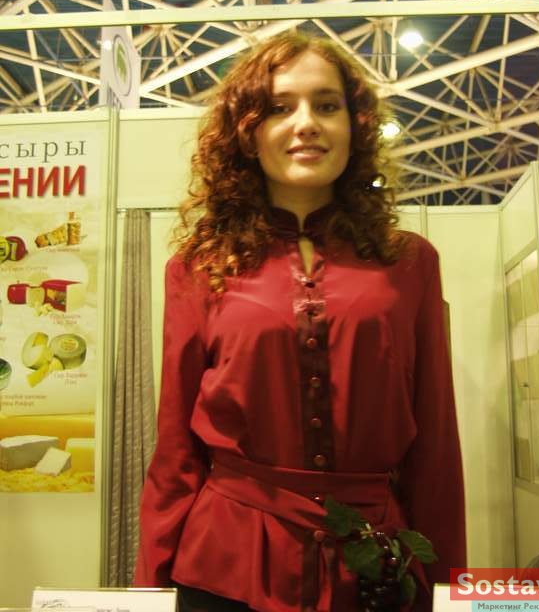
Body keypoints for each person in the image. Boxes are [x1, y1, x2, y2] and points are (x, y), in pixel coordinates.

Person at [134, 32, 466, 612]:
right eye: (279, 108)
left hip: (374, 570)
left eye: (326, 105)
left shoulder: (410, 264)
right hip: (226, 568)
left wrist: (447, 590)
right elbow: (176, 450)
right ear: (247, 132)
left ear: (355, 126)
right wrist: (150, 590)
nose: (306, 123)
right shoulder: (197, 269)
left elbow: (435, 447)